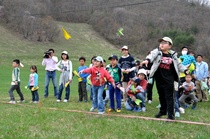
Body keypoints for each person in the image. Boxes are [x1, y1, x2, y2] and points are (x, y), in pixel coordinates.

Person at [141, 37, 188, 120]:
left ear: (170, 46)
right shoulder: (157, 52)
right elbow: (151, 55)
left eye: (164, 42)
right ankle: (163, 111)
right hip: (159, 79)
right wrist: (147, 60)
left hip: (169, 80)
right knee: (161, 96)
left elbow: (179, 64)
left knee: (169, 97)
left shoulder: (173, 55)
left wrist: (185, 70)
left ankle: (171, 116)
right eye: (161, 42)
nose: (162, 44)